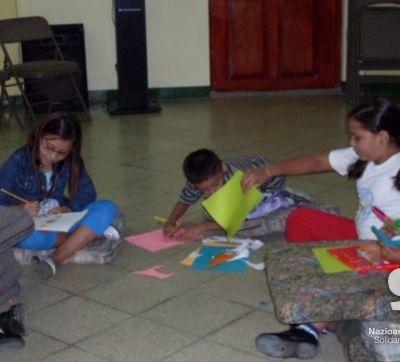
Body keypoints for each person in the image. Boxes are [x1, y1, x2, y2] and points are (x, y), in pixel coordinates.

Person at [241, 98, 400, 359]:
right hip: (365, 241)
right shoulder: (367, 156)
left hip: (390, 257)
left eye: (356, 137)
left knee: (380, 336)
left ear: (381, 137)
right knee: (301, 220)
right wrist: (267, 172)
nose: (352, 143)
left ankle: (317, 326)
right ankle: (328, 320)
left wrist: (391, 253)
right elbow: (317, 162)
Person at [0, 112, 122, 281]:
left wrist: (67, 208)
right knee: (26, 238)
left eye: (61, 153)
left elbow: (87, 192)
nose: (52, 156)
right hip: (31, 227)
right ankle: (87, 235)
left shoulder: (71, 161)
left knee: (107, 207)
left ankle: (54, 259)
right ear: (37, 137)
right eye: (48, 148)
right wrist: (20, 210)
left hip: (60, 223)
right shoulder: (18, 162)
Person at [162, 149, 313, 242]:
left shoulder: (238, 180)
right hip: (242, 177)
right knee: (214, 214)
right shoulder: (200, 180)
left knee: (245, 227)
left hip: (268, 180)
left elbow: (233, 220)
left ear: (223, 168)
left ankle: (285, 195)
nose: (211, 192)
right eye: (204, 190)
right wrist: (170, 222)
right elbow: (184, 200)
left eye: (215, 184)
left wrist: (203, 226)